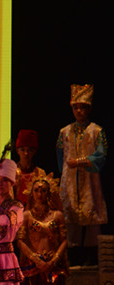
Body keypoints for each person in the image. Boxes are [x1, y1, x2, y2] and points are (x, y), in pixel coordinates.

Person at [17, 174, 69, 285]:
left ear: (49, 193)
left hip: (53, 266)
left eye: (44, 190)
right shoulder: (26, 216)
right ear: (31, 193)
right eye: (37, 190)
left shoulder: (57, 215)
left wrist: (54, 259)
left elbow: (64, 240)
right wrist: (35, 258)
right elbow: (20, 241)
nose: (40, 193)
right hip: (33, 267)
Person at [57, 84, 108, 266]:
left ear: (89, 109)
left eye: (83, 107)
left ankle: (90, 258)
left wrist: (80, 162)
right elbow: (60, 157)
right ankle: (72, 256)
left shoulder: (97, 131)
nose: (79, 111)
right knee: (70, 218)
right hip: (70, 182)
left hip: (89, 180)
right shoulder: (64, 132)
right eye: (76, 107)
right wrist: (64, 175)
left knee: (91, 216)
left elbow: (101, 155)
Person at [13, 129, 46, 206]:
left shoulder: (40, 173)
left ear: (34, 151)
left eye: (29, 150)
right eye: (22, 150)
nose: (26, 153)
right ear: (17, 151)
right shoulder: (12, 172)